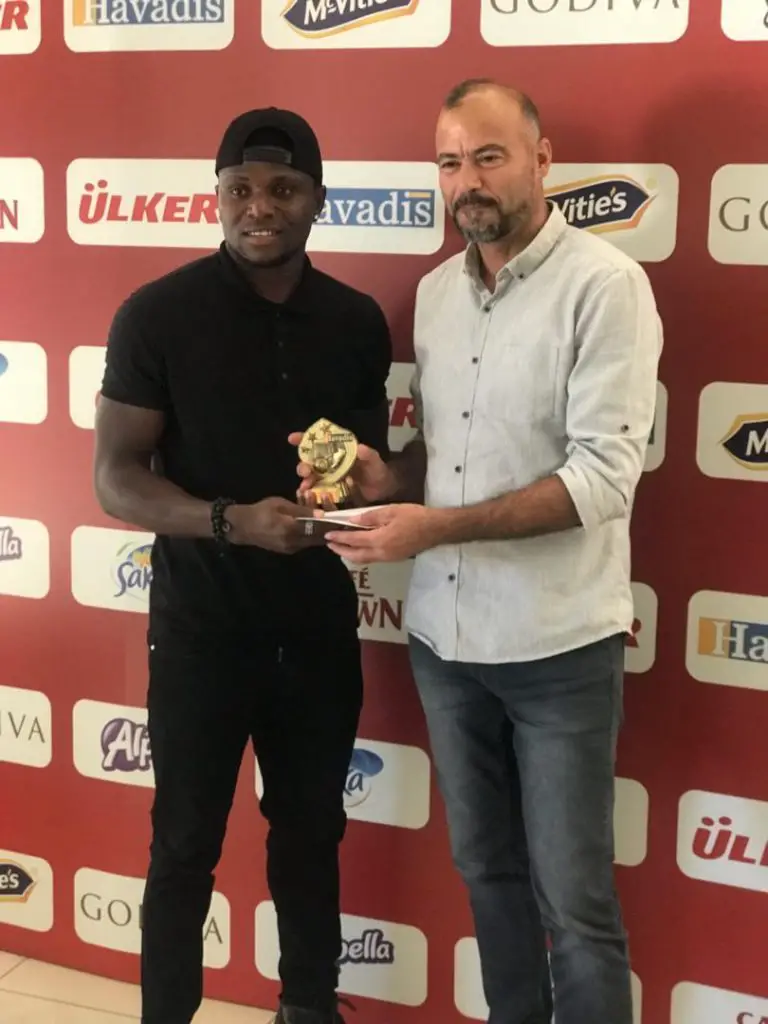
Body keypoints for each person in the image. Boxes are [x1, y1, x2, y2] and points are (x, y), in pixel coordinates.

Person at [307, 79, 663, 1024]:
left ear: (542, 162)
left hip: (559, 648)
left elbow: (602, 479)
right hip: (445, 643)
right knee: (486, 874)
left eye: (489, 157)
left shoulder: (606, 287)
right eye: (450, 161)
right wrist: (385, 480)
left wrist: (433, 527)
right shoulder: (435, 294)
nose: (466, 181)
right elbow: (449, 456)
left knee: (575, 905)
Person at [93, 107, 392, 1024]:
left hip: (315, 632)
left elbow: (370, 466)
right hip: (201, 634)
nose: (259, 207)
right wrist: (232, 523)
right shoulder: (156, 314)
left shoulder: (356, 321)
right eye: (241, 189)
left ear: (318, 201)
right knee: (184, 845)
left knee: (311, 835)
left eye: (283, 189)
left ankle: (309, 1007)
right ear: (217, 196)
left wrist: (358, 488)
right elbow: (115, 479)